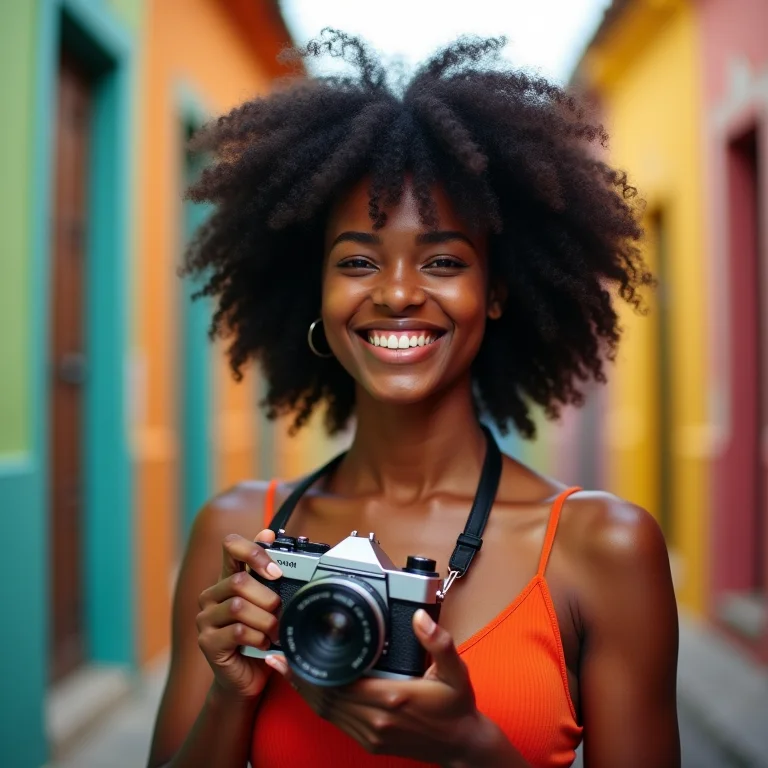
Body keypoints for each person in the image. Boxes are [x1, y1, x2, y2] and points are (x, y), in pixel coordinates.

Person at [147, 30, 679, 768]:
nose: (397, 293)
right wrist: (230, 692)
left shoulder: (604, 550)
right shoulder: (240, 535)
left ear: (495, 292)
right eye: (358, 260)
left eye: (442, 260)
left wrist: (473, 750)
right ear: (319, 292)